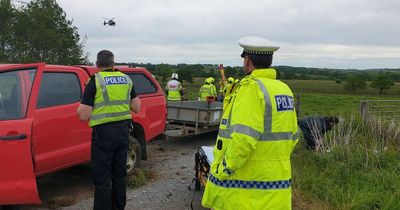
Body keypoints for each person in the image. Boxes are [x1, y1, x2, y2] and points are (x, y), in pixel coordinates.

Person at [202, 36, 299, 210]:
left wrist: (224, 169)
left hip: (246, 194)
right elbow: (293, 136)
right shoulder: (284, 89)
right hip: (277, 187)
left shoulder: (251, 89)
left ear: (247, 61)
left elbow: (243, 140)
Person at [77, 50, 141, 210]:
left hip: (103, 135)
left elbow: (83, 115)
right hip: (123, 133)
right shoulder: (126, 79)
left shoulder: (95, 81)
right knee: (119, 176)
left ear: (97, 65)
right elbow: (137, 107)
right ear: (114, 64)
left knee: (102, 178)